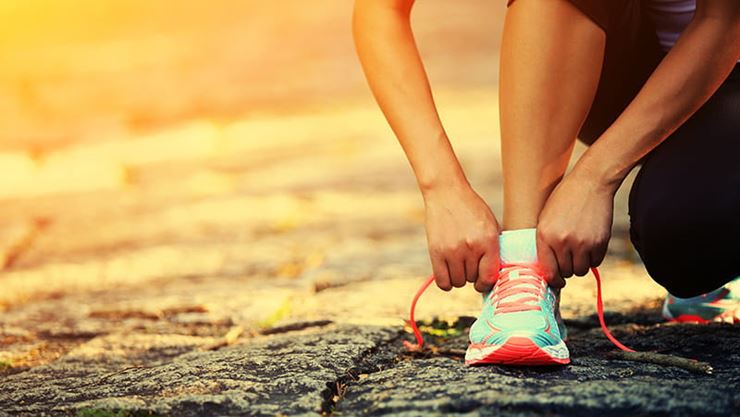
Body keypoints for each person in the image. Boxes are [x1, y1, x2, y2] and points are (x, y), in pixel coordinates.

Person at [353, 0, 740, 365]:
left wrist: (594, 178)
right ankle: (524, 262)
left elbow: (723, 20)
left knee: (684, 232)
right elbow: (381, 11)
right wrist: (443, 190)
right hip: (633, 63)